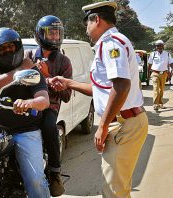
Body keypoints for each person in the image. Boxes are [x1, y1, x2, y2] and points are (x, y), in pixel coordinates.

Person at [52, 1, 148, 197]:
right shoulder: (111, 42)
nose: (86, 29)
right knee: (118, 189)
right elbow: (102, 89)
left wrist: (102, 126)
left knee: (113, 192)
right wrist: (68, 83)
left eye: (87, 24)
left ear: (96, 19)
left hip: (123, 124)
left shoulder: (111, 43)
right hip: (125, 122)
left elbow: (121, 87)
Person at [0, 27, 50, 198]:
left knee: (35, 179)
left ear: (17, 46)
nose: (7, 50)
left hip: (25, 131)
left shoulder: (32, 72)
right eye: (2, 48)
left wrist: (29, 103)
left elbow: (44, 100)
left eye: (11, 46)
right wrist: (18, 72)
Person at [24, 15, 72, 197]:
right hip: (31, 104)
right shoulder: (28, 56)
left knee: (49, 127)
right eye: (50, 33)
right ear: (39, 34)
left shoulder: (64, 62)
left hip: (50, 106)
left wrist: (48, 77)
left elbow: (66, 96)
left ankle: (55, 173)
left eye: (57, 33)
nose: (54, 37)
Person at [148, 39, 173, 110]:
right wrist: (148, 73)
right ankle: (155, 104)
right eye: (157, 46)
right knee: (155, 88)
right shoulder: (153, 54)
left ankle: (160, 103)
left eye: (160, 46)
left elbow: (171, 63)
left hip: (164, 74)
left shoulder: (167, 54)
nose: (159, 47)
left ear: (163, 46)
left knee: (161, 90)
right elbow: (149, 64)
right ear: (156, 47)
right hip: (155, 73)